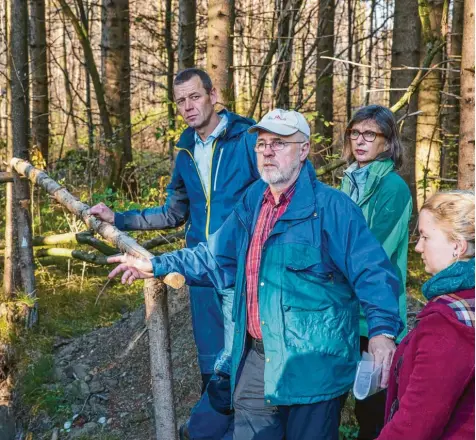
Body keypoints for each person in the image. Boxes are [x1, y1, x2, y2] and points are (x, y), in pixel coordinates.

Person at [107, 109, 403, 440]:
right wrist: (158, 264)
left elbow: (373, 272)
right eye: (261, 144)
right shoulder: (253, 201)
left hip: (312, 366)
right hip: (256, 360)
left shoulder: (333, 209)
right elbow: (214, 256)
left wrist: (381, 332)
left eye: (279, 143)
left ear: (304, 150)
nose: (267, 151)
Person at [89, 68, 260, 439]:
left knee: (243, 361)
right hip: (199, 270)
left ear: (213, 95)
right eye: (181, 100)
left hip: (243, 269)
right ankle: (213, 429)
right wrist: (118, 217)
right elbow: (174, 212)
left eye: (195, 97)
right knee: (211, 357)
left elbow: (270, 199)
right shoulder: (185, 148)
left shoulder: (248, 138)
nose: (188, 106)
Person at [377, 190, 475, 439]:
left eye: (425, 237)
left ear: (457, 246)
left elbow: (415, 425)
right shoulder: (466, 302)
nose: (418, 247)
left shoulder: (447, 323)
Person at [340, 105, 412, 439]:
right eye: (355, 133)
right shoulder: (348, 181)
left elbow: (375, 250)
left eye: (370, 134)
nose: (360, 140)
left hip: (377, 314)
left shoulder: (393, 187)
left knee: (372, 411)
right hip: (344, 312)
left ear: (388, 142)